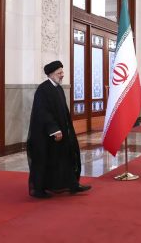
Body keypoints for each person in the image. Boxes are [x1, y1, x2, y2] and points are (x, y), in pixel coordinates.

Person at [27, 60, 91, 198]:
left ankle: (72, 185)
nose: (62, 75)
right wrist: (54, 129)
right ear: (51, 74)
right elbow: (43, 112)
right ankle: (39, 190)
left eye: (62, 72)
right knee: (45, 160)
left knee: (66, 157)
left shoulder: (58, 88)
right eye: (59, 73)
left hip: (61, 132)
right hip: (46, 135)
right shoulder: (43, 89)